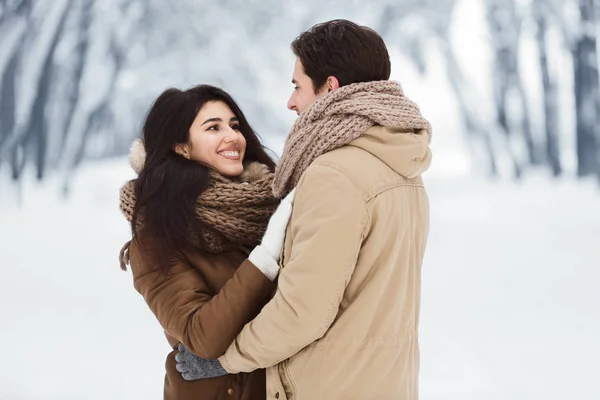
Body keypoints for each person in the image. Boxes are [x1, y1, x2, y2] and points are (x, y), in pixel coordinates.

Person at [176, 19, 433, 400]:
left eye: (297, 85)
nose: (291, 102)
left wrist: (225, 360)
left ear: (330, 87)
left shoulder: (334, 175)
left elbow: (302, 312)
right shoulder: (404, 169)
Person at [118, 84, 295, 400]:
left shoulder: (270, 207)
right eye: (214, 127)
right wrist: (265, 257)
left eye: (234, 125)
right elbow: (203, 337)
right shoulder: (156, 238)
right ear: (182, 147)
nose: (233, 136)